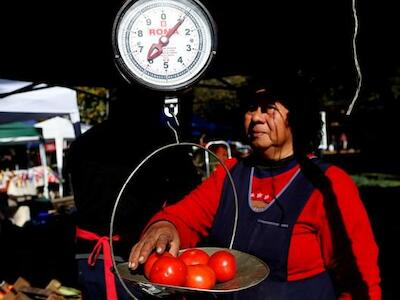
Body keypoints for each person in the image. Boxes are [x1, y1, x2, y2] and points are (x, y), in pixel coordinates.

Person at [128, 74, 381, 299]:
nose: (256, 117)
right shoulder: (230, 174)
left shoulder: (327, 183)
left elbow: (361, 278)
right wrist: (164, 226)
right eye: (251, 108)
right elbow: (183, 217)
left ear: (298, 116)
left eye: (268, 108)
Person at [65, 86, 201, 300]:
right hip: (134, 255)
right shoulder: (159, 140)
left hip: (90, 255)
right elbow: (190, 191)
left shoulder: (82, 142)